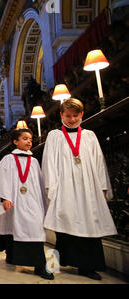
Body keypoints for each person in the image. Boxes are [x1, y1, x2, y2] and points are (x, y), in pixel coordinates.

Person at [42, 98, 117, 280]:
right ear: (61, 115)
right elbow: (49, 162)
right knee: (62, 226)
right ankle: (51, 265)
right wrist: (51, 186)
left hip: (88, 188)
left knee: (89, 227)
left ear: (82, 115)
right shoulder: (55, 136)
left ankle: (87, 267)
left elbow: (99, 161)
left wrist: (102, 186)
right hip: (65, 187)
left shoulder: (89, 136)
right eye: (68, 116)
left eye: (76, 116)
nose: (72, 119)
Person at [0, 128, 54, 280]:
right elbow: (2, 179)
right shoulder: (8, 159)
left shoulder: (34, 161)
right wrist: (5, 198)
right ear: (15, 142)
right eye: (25, 138)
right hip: (14, 201)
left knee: (36, 230)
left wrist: (43, 203)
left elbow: (39, 184)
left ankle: (39, 265)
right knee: (16, 229)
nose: (29, 141)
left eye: (30, 139)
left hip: (33, 202)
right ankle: (20, 258)